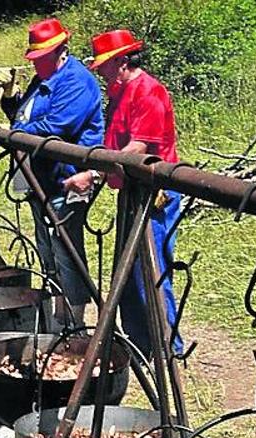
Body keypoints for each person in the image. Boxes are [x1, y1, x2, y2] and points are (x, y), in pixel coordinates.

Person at [65, 30, 183, 356]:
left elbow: (136, 150)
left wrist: (93, 173)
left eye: (103, 65)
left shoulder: (149, 92)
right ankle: (138, 347)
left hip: (155, 196)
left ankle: (167, 350)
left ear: (120, 61)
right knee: (128, 277)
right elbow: (114, 147)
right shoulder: (119, 93)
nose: (99, 72)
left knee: (152, 275)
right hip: (131, 192)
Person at [1, 17, 104, 326]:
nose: (36, 65)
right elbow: (26, 115)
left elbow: (57, 126)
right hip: (40, 178)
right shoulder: (43, 78)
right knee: (48, 248)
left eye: (41, 59)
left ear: (61, 51)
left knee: (67, 249)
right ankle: (58, 316)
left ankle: (74, 319)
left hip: (67, 179)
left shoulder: (75, 81)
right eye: (34, 59)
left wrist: (16, 133)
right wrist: (10, 99)